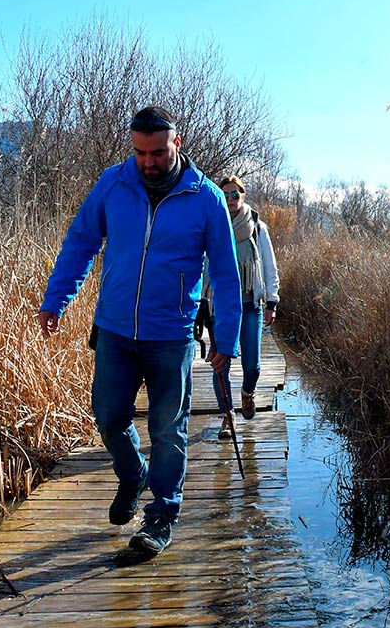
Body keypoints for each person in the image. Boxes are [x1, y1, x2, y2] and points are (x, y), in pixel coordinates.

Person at [37, 106, 242, 556]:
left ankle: (160, 518)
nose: (147, 161)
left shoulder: (205, 197)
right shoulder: (114, 183)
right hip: (114, 330)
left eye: (157, 152)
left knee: (168, 430)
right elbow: (81, 243)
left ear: (177, 144)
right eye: (140, 152)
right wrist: (56, 300)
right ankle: (133, 474)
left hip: (171, 336)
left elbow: (226, 274)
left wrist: (226, 339)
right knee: (109, 417)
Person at [205, 175, 279, 434]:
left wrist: (272, 301)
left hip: (250, 305)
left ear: (243, 196)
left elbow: (269, 266)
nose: (230, 199)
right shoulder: (213, 226)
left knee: (252, 366)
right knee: (220, 366)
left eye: (235, 194)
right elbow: (203, 266)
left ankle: (248, 393)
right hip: (221, 307)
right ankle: (228, 417)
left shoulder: (257, 227)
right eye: (225, 195)